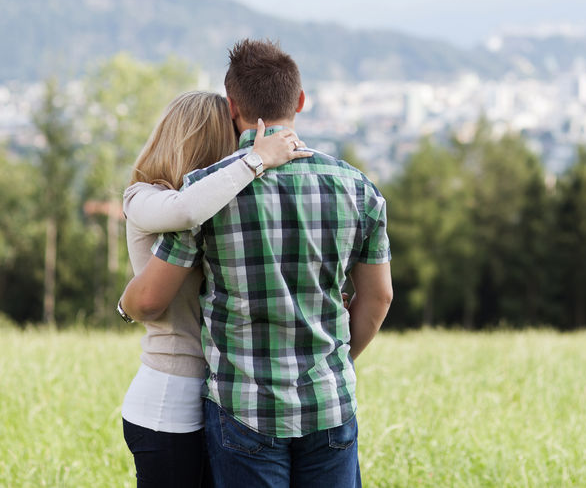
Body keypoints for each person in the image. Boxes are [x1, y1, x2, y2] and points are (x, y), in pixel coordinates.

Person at [120, 39, 394, 487]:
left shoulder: (206, 193)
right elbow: (379, 296)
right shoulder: (358, 188)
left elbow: (151, 296)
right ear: (301, 101)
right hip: (329, 402)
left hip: (242, 408)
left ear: (232, 106)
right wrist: (332, 365)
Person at [119, 90, 312, 487]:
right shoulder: (143, 197)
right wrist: (257, 160)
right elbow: (186, 209)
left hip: (221, 398)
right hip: (170, 399)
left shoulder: (223, 208)